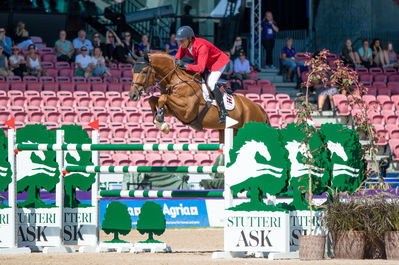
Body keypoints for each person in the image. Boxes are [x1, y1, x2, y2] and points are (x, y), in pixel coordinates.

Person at [174, 26, 230, 123]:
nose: (180, 43)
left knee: (211, 83)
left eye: (182, 40)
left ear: (190, 39)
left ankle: (223, 112)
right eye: (179, 41)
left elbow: (200, 68)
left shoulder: (201, 46)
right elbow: (176, 60)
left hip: (218, 62)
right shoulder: (184, 46)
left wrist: (185, 65)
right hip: (205, 62)